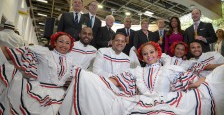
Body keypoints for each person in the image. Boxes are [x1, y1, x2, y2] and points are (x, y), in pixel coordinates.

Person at [58, 41, 224, 115]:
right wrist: (89, 78)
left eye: (152, 52)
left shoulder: (171, 69)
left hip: (167, 101)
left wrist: (209, 82)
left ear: (158, 53)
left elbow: (193, 82)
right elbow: (115, 81)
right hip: (139, 101)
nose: (149, 55)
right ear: (142, 58)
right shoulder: (136, 72)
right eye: (145, 54)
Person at [0, 32, 75, 114]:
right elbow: (14, 52)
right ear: (55, 42)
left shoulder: (71, 61)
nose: (64, 45)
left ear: (70, 46)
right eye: (61, 41)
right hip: (41, 92)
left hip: (62, 95)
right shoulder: (44, 52)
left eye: (67, 43)